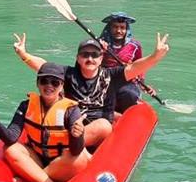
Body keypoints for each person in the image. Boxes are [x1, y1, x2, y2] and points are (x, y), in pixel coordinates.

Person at [12, 31, 170, 145]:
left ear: (101, 58)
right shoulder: (68, 74)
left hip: (95, 129)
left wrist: (155, 56)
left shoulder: (111, 75)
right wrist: (24, 54)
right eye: (85, 54)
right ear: (78, 58)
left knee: (103, 126)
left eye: (94, 55)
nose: (90, 58)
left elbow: (135, 67)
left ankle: (60, 146)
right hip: (71, 125)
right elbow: (44, 66)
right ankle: (56, 146)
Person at [0, 62, 89, 182]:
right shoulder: (26, 105)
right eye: (44, 81)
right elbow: (11, 138)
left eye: (55, 82)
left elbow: (76, 151)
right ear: (37, 83)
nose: (49, 86)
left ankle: (32, 179)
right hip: (37, 159)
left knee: (80, 159)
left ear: (61, 86)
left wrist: (77, 135)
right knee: (10, 149)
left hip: (60, 162)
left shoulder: (71, 110)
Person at [99, 12, 153, 114]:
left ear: (126, 29)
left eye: (122, 28)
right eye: (115, 27)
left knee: (129, 94)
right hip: (104, 79)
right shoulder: (99, 43)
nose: (119, 31)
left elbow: (139, 65)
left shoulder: (135, 45)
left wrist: (142, 83)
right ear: (109, 28)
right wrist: (100, 50)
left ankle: (126, 114)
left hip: (126, 80)